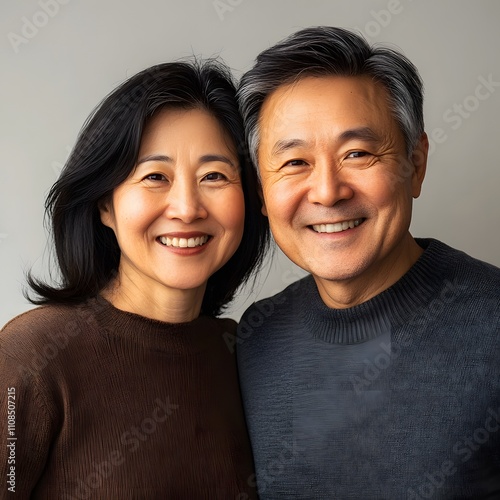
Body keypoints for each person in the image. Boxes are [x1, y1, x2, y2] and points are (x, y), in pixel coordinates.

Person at [236, 26, 500, 498]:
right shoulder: (257, 338)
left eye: (357, 153)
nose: (327, 191)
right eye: (294, 163)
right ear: (261, 189)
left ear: (415, 164)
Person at [0, 59, 268, 498]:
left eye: (214, 176)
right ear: (105, 205)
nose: (186, 208)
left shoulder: (248, 356)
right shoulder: (32, 356)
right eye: (155, 176)